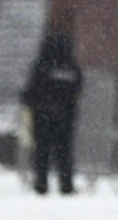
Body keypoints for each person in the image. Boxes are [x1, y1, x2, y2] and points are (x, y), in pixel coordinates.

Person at [20, 33, 82, 196]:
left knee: (42, 152)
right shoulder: (71, 67)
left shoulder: (42, 66)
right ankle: (66, 185)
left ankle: (41, 184)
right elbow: (77, 90)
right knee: (64, 153)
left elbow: (30, 92)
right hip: (65, 119)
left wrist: (33, 103)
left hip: (43, 117)